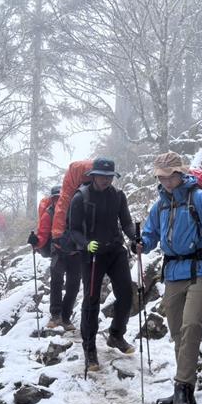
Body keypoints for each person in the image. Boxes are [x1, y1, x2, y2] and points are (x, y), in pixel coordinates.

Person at [137, 152, 202, 404]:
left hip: (200, 270)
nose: (166, 182)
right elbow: (150, 235)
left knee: (192, 326)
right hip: (172, 274)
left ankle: (183, 389)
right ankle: (185, 389)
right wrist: (140, 244)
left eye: (170, 176)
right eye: (161, 177)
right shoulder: (160, 206)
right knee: (178, 332)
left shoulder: (200, 198)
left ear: (181, 173)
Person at [67, 157, 138, 371]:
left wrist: (135, 237)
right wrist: (86, 244)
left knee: (126, 293)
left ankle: (116, 335)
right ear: (93, 175)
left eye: (109, 177)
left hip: (115, 250)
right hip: (92, 254)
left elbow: (125, 222)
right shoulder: (81, 197)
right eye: (102, 176)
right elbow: (74, 230)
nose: (106, 180)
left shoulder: (118, 196)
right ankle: (89, 349)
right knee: (91, 300)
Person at [27, 185, 78, 331]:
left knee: (73, 286)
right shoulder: (48, 214)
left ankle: (66, 317)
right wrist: (35, 241)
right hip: (58, 251)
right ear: (53, 199)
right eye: (56, 198)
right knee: (56, 282)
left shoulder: (76, 209)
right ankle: (56, 315)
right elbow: (43, 234)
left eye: (61, 198)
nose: (59, 201)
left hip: (76, 253)